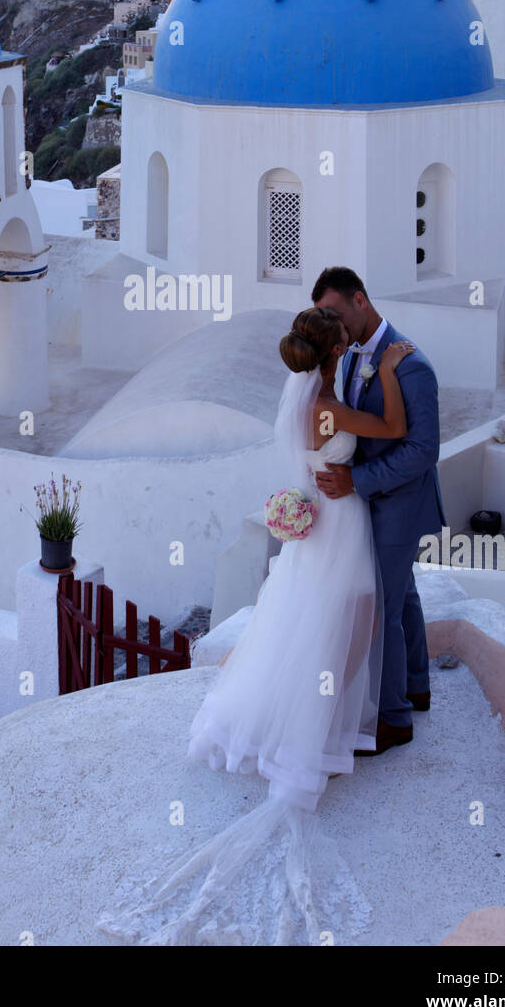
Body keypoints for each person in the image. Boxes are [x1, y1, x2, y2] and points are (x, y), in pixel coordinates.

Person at [96, 307, 416, 946]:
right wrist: (387, 364)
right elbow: (395, 426)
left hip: (314, 529)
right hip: (340, 526)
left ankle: (296, 724)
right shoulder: (329, 409)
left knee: (303, 627)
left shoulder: (302, 400)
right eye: (342, 338)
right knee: (344, 628)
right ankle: (314, 734)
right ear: (331, 353)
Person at [311, 266, 446, 755]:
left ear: (361, 300)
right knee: (403, 595)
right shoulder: (347, 357)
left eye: (337, 312)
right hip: (368, 503)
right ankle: (415, 686)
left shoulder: (413, 366)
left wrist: (357, 481)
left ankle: (393, 718)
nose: (335, 325)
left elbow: (422, 450)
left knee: (381, 609)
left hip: (399, 504)